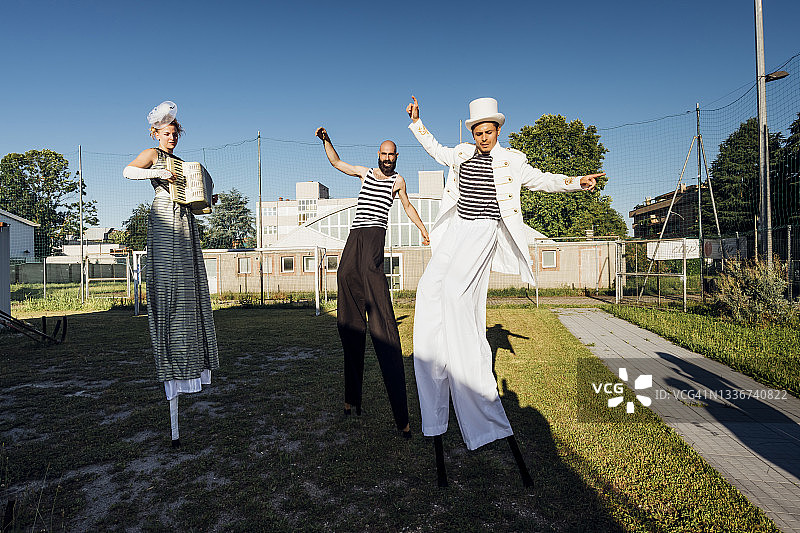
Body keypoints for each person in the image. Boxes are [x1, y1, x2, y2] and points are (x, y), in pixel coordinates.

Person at [406, 96, 603, 486]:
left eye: (487, 131)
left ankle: (469, 374)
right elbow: (436, 150)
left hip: (485, 231)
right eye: (477, 131)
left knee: (457, 297)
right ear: (472, 132)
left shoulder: (513, 161)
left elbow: (544, 180)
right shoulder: (461, 153)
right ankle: (434, 359)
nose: (482, 137)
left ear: (498, 130)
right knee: (429, 291)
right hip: (456, 231)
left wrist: (576, 183)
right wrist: (417, 122)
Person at [315, 126, 430, 439]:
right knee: (345, 285)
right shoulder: (365, 173)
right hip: (354, 238)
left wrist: (422, 228)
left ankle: (402, 419)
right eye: (384, 154)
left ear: (396, 158)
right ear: (378, 155)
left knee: (372, 284)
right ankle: (351, 398)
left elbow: (407, 206)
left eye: (392, 155)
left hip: (374, 240)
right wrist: (327, 140)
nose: (388, 158)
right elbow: (337, 163)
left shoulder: (397, 181)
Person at [123, 101, 219, 448]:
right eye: (167, 133)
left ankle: (189, 351)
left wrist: (206, 198)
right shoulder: (152, 154)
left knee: (189, 289)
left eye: (175, 134)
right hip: (164, 218)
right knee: (168, 289)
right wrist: (156, 173)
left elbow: (192, 195)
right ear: (156, 133)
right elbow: (127, 172)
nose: (172, 138)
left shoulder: (182, 163)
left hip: (185, 222)